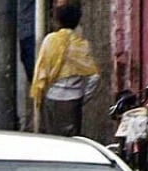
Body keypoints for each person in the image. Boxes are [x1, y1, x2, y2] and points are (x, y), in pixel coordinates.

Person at [30, 2, 100, 136]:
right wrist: (84, 96)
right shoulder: (82, 45)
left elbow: (41, 70)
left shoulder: (50, 40)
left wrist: (42, 91)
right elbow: (95, 76)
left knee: (52, 139)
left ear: (58, 21)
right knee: (72, 141)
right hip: (73, 100)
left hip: (52, 97)